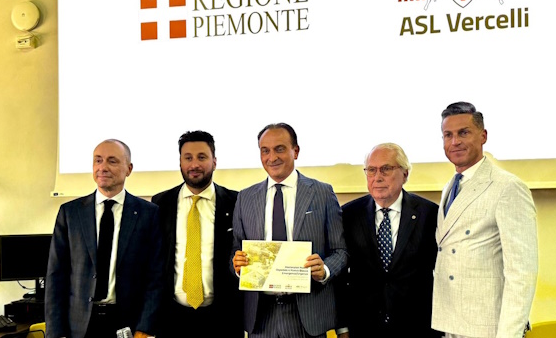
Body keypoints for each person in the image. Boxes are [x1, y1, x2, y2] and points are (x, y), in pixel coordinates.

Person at [432, 102, 538, 338]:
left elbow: (521, 273)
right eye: (448, 135)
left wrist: (509, 334)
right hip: (453, 324)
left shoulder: (507, 187)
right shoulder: (450, 187)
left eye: (463, 133)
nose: (454, 142)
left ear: (483, 136)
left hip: (489, 327)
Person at [231, 123, 347, 338]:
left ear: (296, 151)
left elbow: (340, 251)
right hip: (261, 317)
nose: (272, 157)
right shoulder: (245, 197)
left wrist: (324, 270)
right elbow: (235, 250)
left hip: (308, 314)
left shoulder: (322, 193)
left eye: (280, 149)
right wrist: (237, 265)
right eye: (265, 151)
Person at [45, 139, 163, 338]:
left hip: (128, 325)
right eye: (98, 160)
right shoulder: (70, 213)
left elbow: (155, 278)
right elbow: (56, 277)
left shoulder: (148, 214)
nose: (103, 167)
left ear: (129, 169)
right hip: (79, 326)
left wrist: (145, 327)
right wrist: (56, 333)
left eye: (112, 161)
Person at [335, 143, 441, 338]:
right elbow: (340, 278)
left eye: (386, 169)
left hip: (417, 327)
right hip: (364, 328)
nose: (377, 177)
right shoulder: (349, 215)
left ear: (405, 174)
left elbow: (441, 272)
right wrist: (342, 327)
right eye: (371, 170)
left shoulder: (430, 214)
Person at [152, 131, 243, 337]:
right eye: (188, 158)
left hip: (223, 318)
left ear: (214, 162)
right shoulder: (160, 203)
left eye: (202, 157)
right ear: (180, 162)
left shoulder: (236, 202)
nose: (194, 164)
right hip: (172, 318)